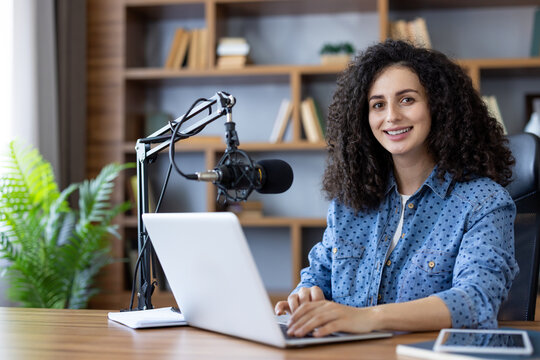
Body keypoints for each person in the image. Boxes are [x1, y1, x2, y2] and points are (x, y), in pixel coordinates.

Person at [275, 39, 518, 337]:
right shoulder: (350, 203)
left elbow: (475, 301)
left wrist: (368, 318)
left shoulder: (484, 202)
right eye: (378, 104)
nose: (391, 116)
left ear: (438, 106)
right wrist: (305, 296)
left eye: (407, 99)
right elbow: (317, 277)